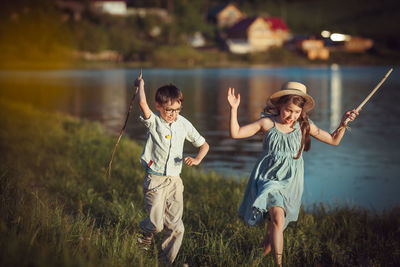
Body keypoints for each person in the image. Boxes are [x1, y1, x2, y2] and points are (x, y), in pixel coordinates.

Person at [227, 81, 358, 266]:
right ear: (280, 105)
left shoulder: (304, 126)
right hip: (268, 178)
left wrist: (344, 122)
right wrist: (234, 109)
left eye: (297, 112)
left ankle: (253, 261)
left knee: (274, 230)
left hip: (290, 183)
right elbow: (236, 133)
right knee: (278, 219)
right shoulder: (267, 123)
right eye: (288, 110)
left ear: (302, 112)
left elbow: (334, 140)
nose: (292, 116)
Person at [135, 77, 209, 264]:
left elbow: (204, 145)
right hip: (155, 180)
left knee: (177, 227)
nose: (173, 114)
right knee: (156, 224)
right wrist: (141, 84)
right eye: (169, 110)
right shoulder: (154, 122)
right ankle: (145, 232)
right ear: (159, 106)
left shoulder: (183, 123)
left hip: (175, 181)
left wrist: (197, 159)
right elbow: (143, 103)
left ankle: (165, 261)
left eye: (177, 110)